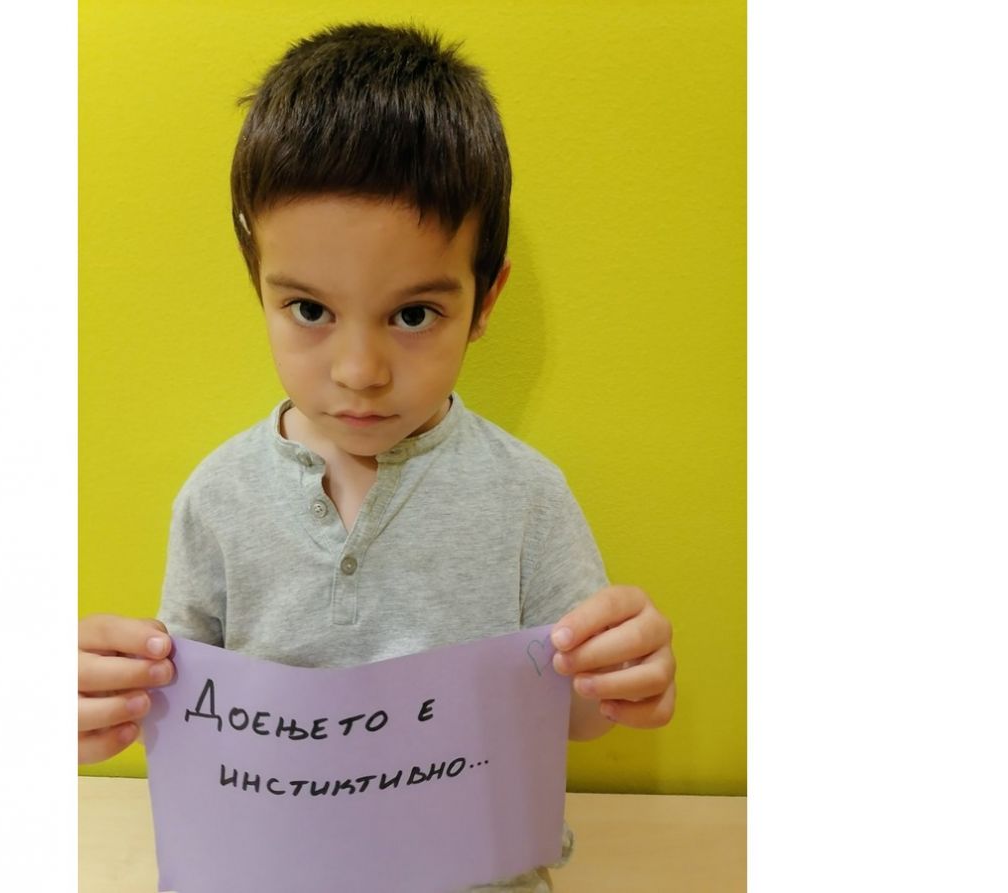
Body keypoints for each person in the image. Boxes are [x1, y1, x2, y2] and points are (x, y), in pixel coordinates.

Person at [78, 22, 676, 892]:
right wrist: (114, 699)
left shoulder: (525, 497)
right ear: (259, 284)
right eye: (310, 310)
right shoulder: (217, 498)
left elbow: (576, 716)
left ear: (485, 300)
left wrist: (619, 679)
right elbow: (191, 713)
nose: (359, 371)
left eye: (413, 314)